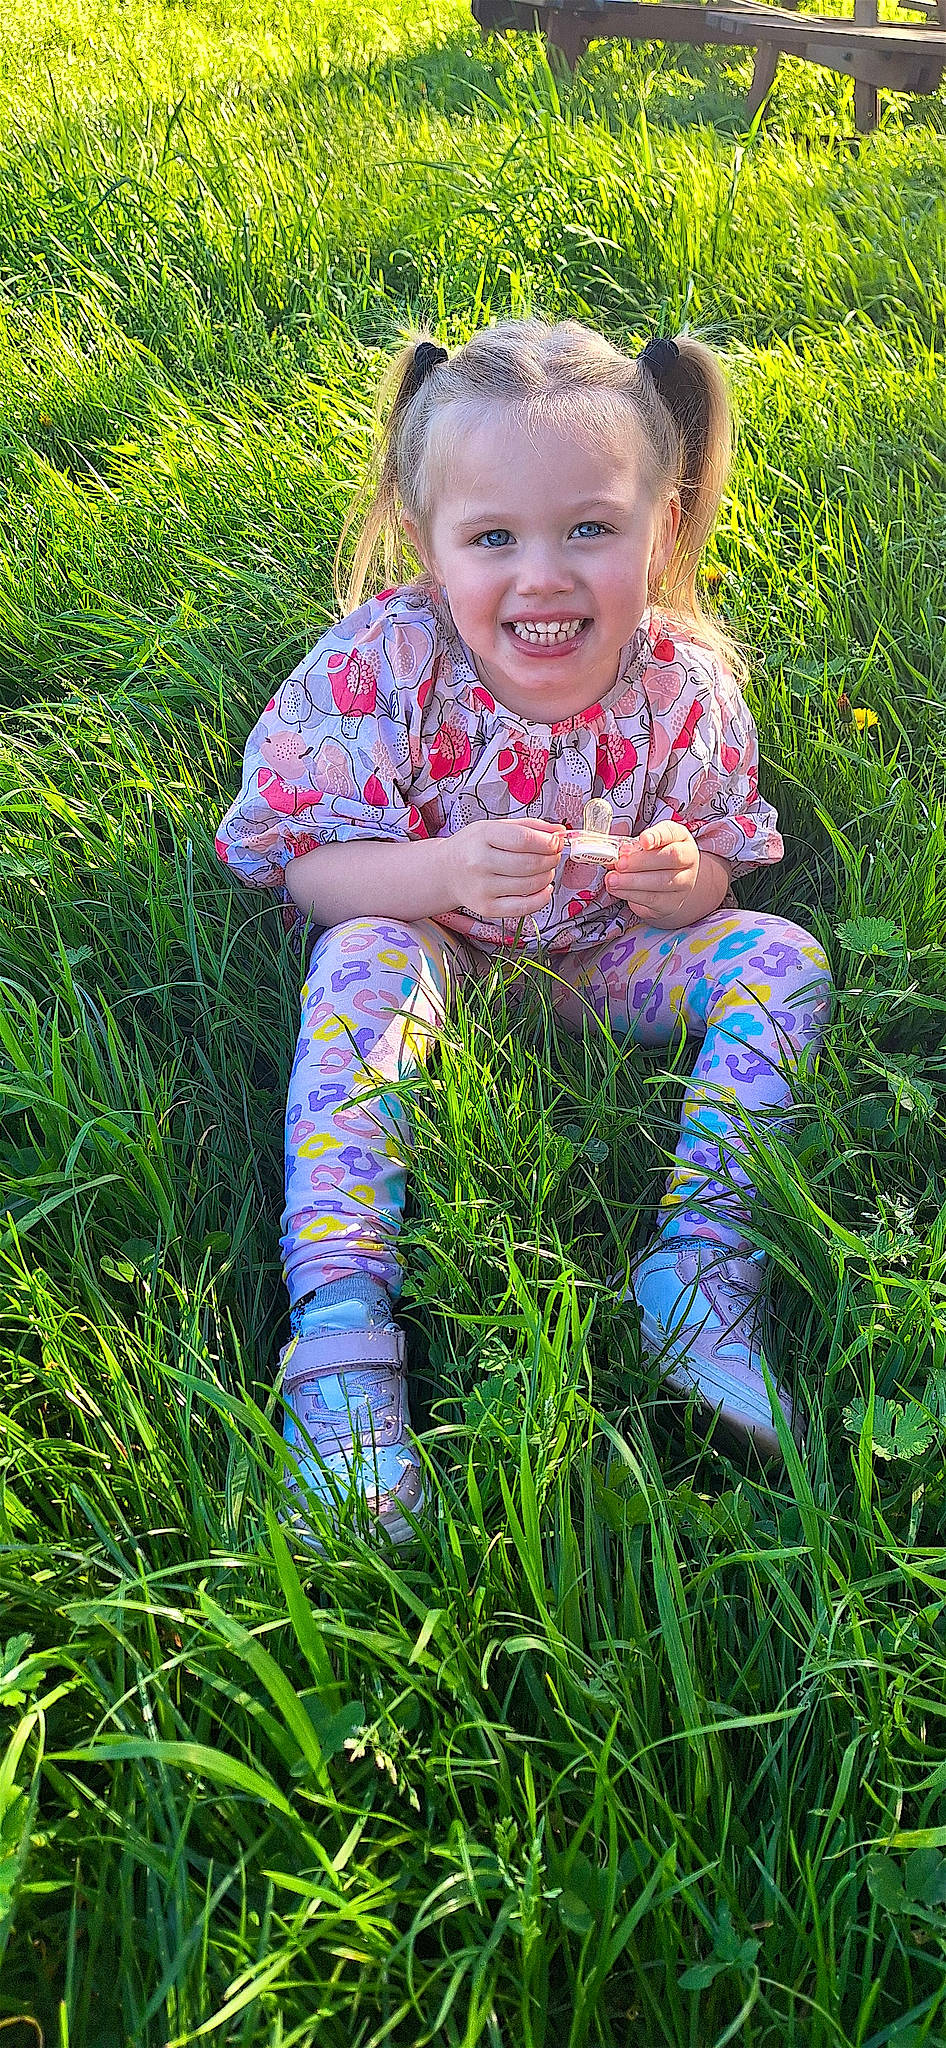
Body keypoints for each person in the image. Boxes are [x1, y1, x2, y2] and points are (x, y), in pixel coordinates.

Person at [215, 318, 832, 1547]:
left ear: (664, 521)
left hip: (599, 962)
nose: (542, 575)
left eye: (589, 528)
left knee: (784, 956)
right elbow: (302, 870)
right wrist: (438, 867)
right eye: (492, 537)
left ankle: (699, 1275)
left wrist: (684, 882)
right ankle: (342, 1350)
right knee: (356, 960)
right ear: (422, 536)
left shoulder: (681, 684)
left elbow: (712, 857)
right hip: (431, 946)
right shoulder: (380, 667)